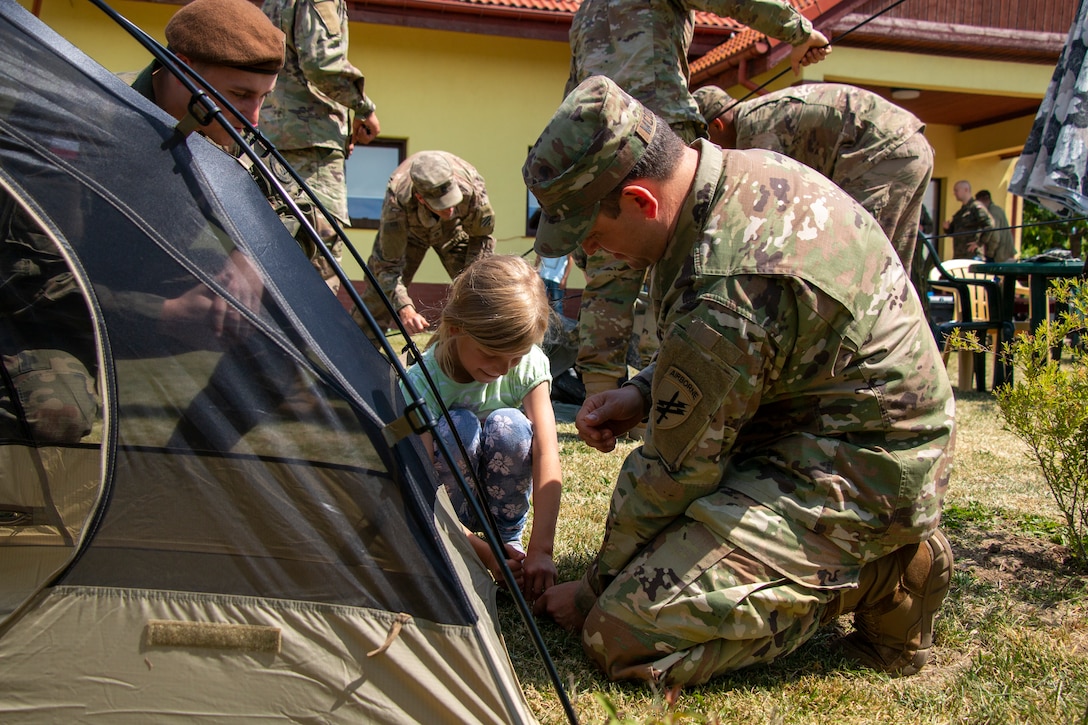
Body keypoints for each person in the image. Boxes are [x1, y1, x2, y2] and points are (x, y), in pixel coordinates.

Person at [524, 76, 955, 686]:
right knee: (652, 567)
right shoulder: (737, 177)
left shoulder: (730, 274)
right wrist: (646, 393)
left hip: (865, 472)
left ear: (644, 201)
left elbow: (674, 472)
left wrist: (595, 587)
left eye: (593, 237)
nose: (594, 255)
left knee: (620, 633)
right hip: (815, 428)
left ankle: (889, 569)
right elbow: (755, 349)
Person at [563, 0, 833, 404]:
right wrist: (795, 30)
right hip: (661, 140)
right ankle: (670, 394)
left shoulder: (585, 9)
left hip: (601, 148)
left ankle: (600, 398)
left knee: (609, 278)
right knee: (683, 269)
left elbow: (574, 96)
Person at [128, 0, 340, 288]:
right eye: (239, 94)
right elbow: (56, 270)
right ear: (183, 71)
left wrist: (256, 252)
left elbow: (301, 216)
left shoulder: (240, 136)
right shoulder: (100, 115)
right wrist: (159, 313)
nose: (253, 118)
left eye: (264, 97)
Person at [400, 255, 561, 600]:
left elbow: (547, 451)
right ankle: (463, 544)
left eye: (516, 357)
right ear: (456, 328)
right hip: (449, 516)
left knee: (510, 423)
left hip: (501, 505)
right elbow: (421, 486)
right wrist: (481, 553)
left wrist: (541, 550)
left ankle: (506, 537)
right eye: (492, 354)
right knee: (459, 425)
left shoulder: (527, 364)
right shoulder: (422, 382)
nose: (504, 369)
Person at [261, 0, 382, 290]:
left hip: (270, 138)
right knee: (317, 253)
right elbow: (321, 63)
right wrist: (364, 108)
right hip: (311, 143)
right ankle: (306, 336)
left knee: (268, 242)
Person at [357, 151, 495, 334]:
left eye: (453, 200)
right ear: (421, 199)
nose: (451, 208)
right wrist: (404, 307)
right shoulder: (397, 203)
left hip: (454, 230)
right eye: (443, 205)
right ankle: (353, 355)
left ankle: (469, 353)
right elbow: (388, 267)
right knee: (379, 297)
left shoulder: (471, 188)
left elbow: (481, 238)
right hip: (410, 234)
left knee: (480, 292)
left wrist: (470, 284)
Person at [944, 180, 994, 259]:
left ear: (966, 190)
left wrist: (979, 243)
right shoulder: (961, 212)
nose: (954, 193)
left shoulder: (976, 207)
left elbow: (990, 224)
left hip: (972, 254)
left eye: (956, 190)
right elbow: (954, 232)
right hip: (960, 254)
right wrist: (947, 229)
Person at [975, 189, 1016, 262]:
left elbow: (995, 236)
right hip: (1003, 252)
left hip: (1000, 253)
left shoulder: (992, 212)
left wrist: (989, 254)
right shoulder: (997, 210)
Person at [536, 252, 571, 317]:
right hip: (543, 277)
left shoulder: (565, 244)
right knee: (540, 304)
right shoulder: (544, 242)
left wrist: (564, 278)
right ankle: (541, 325)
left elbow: (570, 260)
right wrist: (535, 270)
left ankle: (560, 326)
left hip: (557, 279)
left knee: (557, 306)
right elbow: (539, 256)